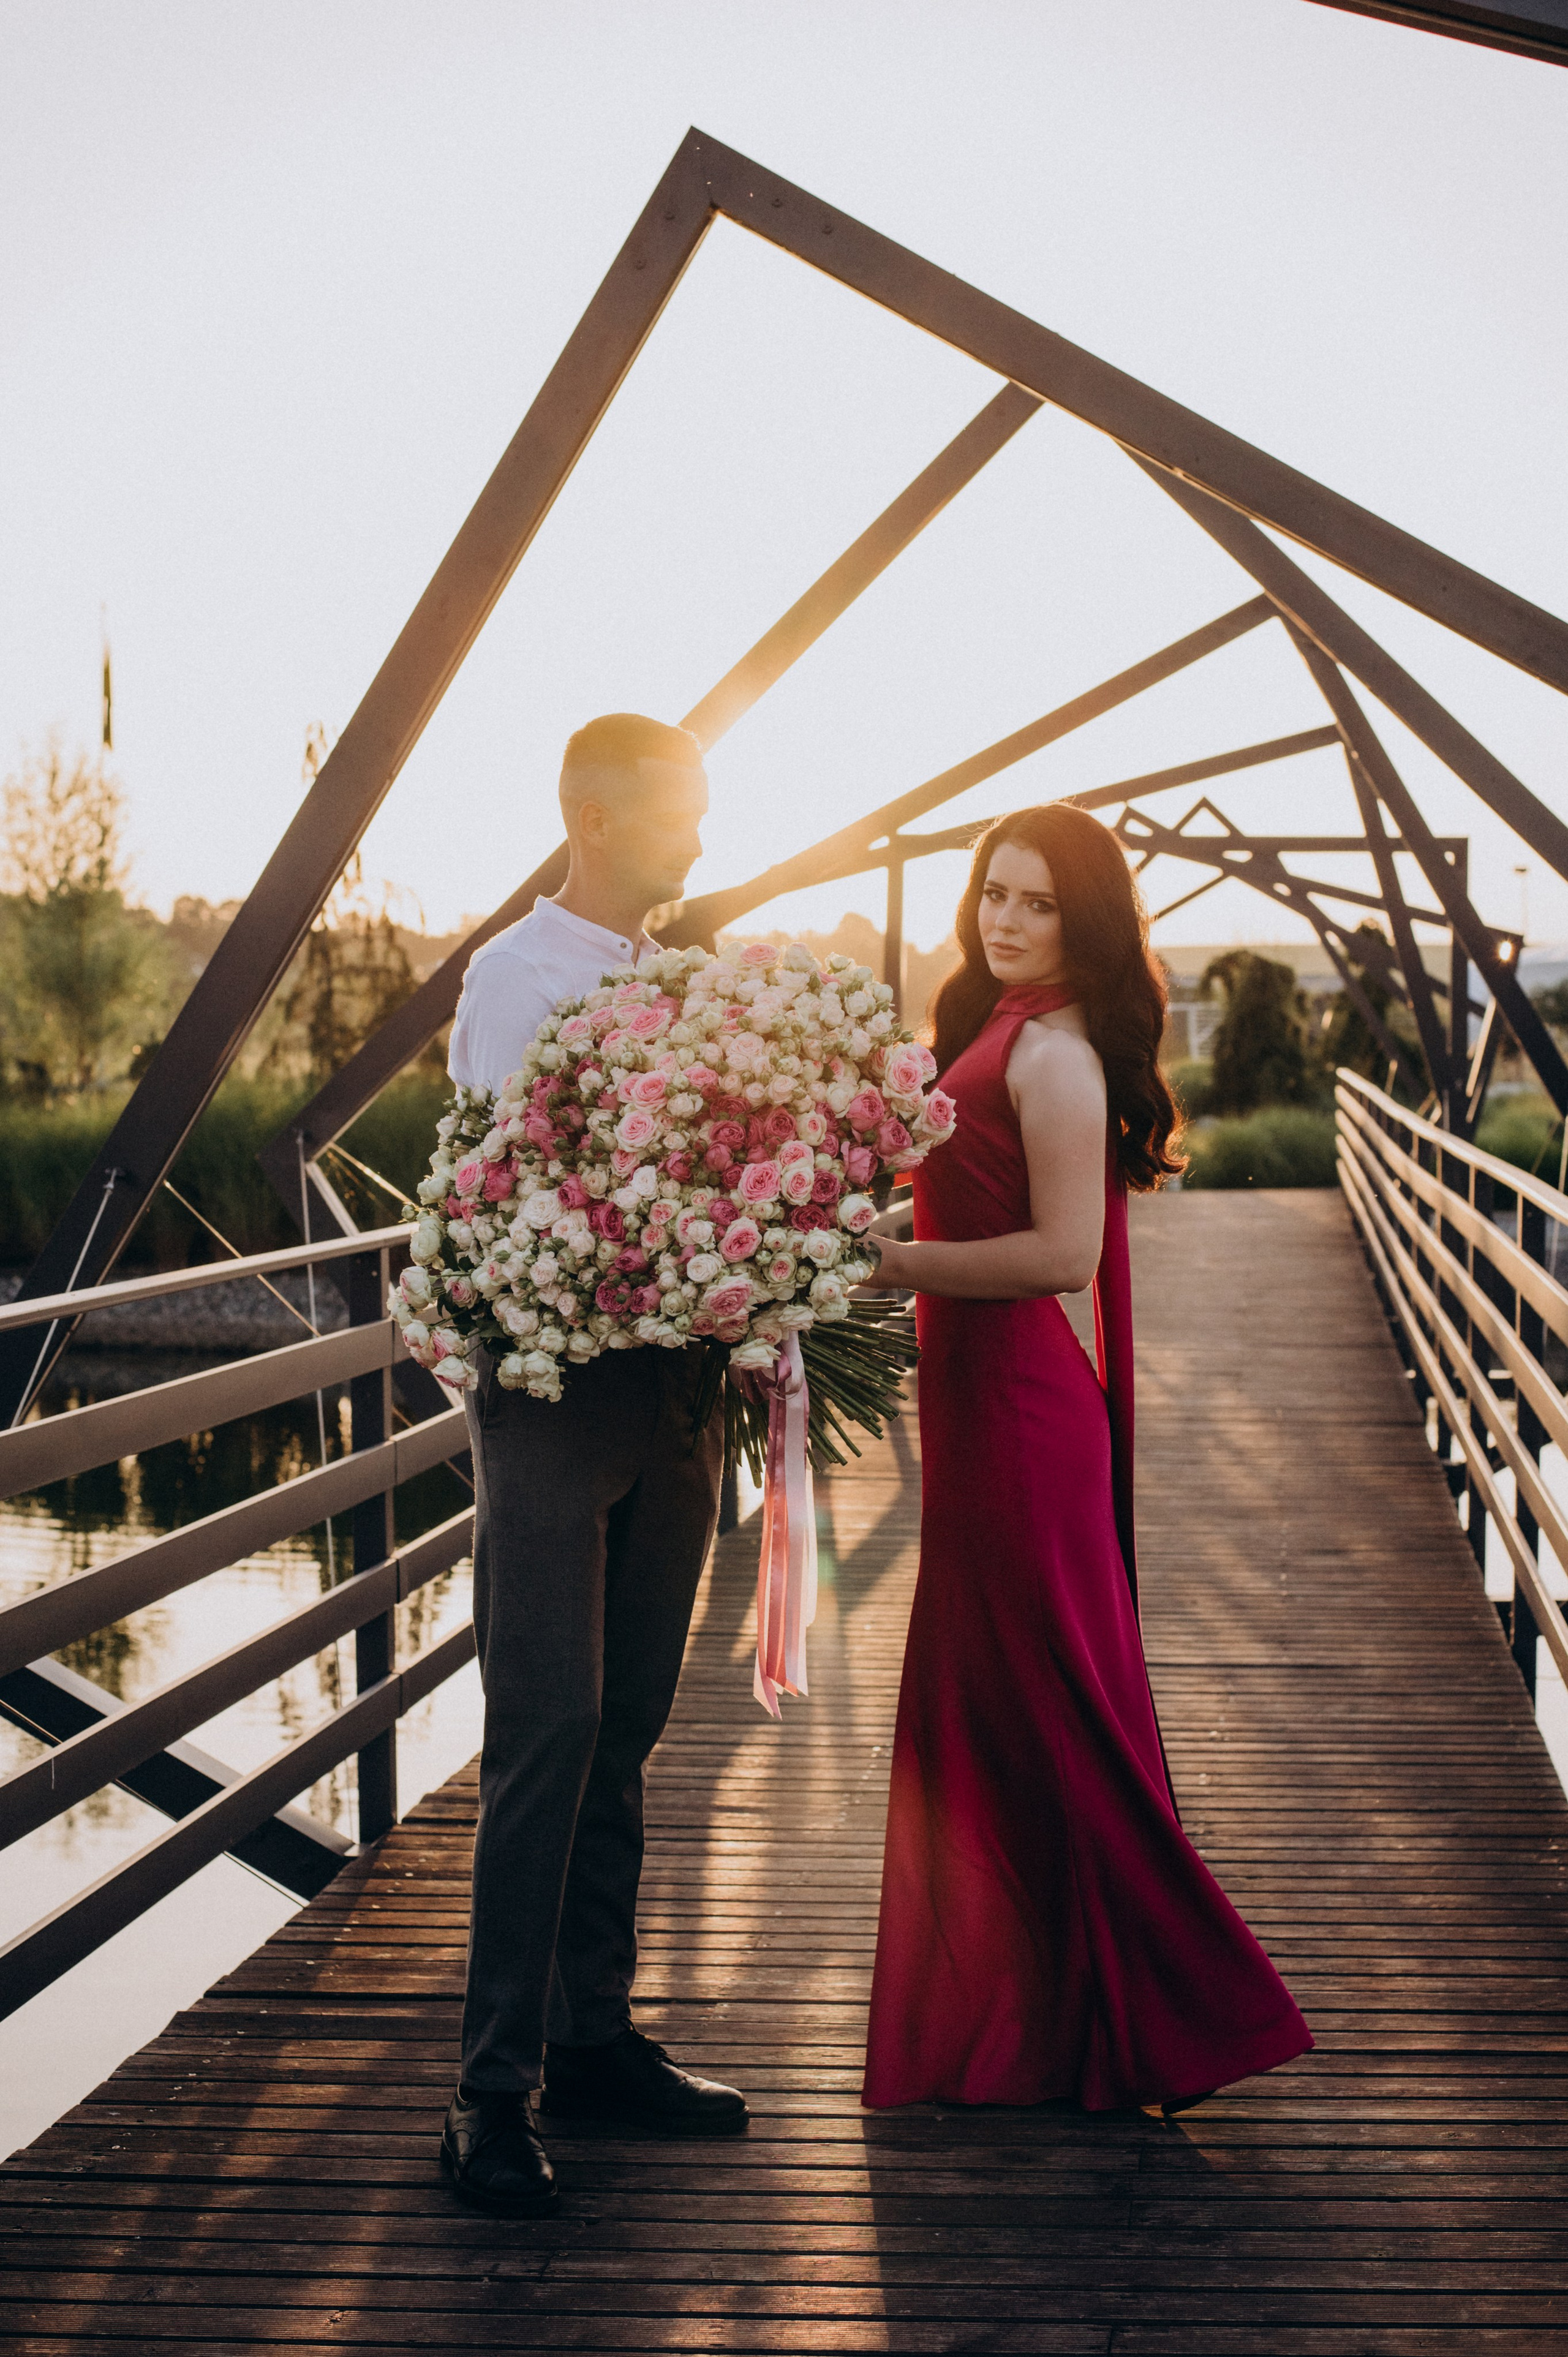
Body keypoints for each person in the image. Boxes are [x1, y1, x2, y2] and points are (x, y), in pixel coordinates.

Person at [858, 804, 1313, 2113]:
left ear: (1085, 923)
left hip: (1018, 1416)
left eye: (1039, 903)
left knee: (1053, 1708)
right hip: (977, 1407)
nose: (1004, 919)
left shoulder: (1054, 1056)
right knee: (1002, 1705)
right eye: (993, 892)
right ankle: (1047, 2015)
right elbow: (970, 1194)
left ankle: (1187, 2008)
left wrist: (886, 1265)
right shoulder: (993, 1025)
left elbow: (1064, 1255)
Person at [440, 712, 748, 2217]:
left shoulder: (672, 974)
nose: (698, 835)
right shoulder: (515, 979)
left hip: (674, 1392)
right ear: (600, 820)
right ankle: (488, 2093)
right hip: (555, 1398)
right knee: (546, 1732)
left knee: (625, 1723)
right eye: (678, 812)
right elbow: (510, 1200)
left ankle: (591, 2037)